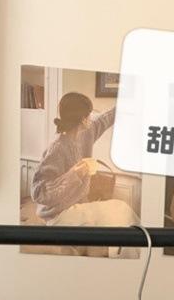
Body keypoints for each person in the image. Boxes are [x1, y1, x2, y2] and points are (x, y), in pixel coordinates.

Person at [30, 93, 139, 255]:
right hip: (58, 215)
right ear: (83, 119)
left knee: (123, 212)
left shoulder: (87, 132)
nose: (92, 116)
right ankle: (129, 257)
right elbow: (38, 193)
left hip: (78, 206)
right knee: (120, 212)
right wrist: (74, 174)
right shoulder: (57, 149)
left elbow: (105, 119)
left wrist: (128, 103)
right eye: (89, 114)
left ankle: (138, 251)